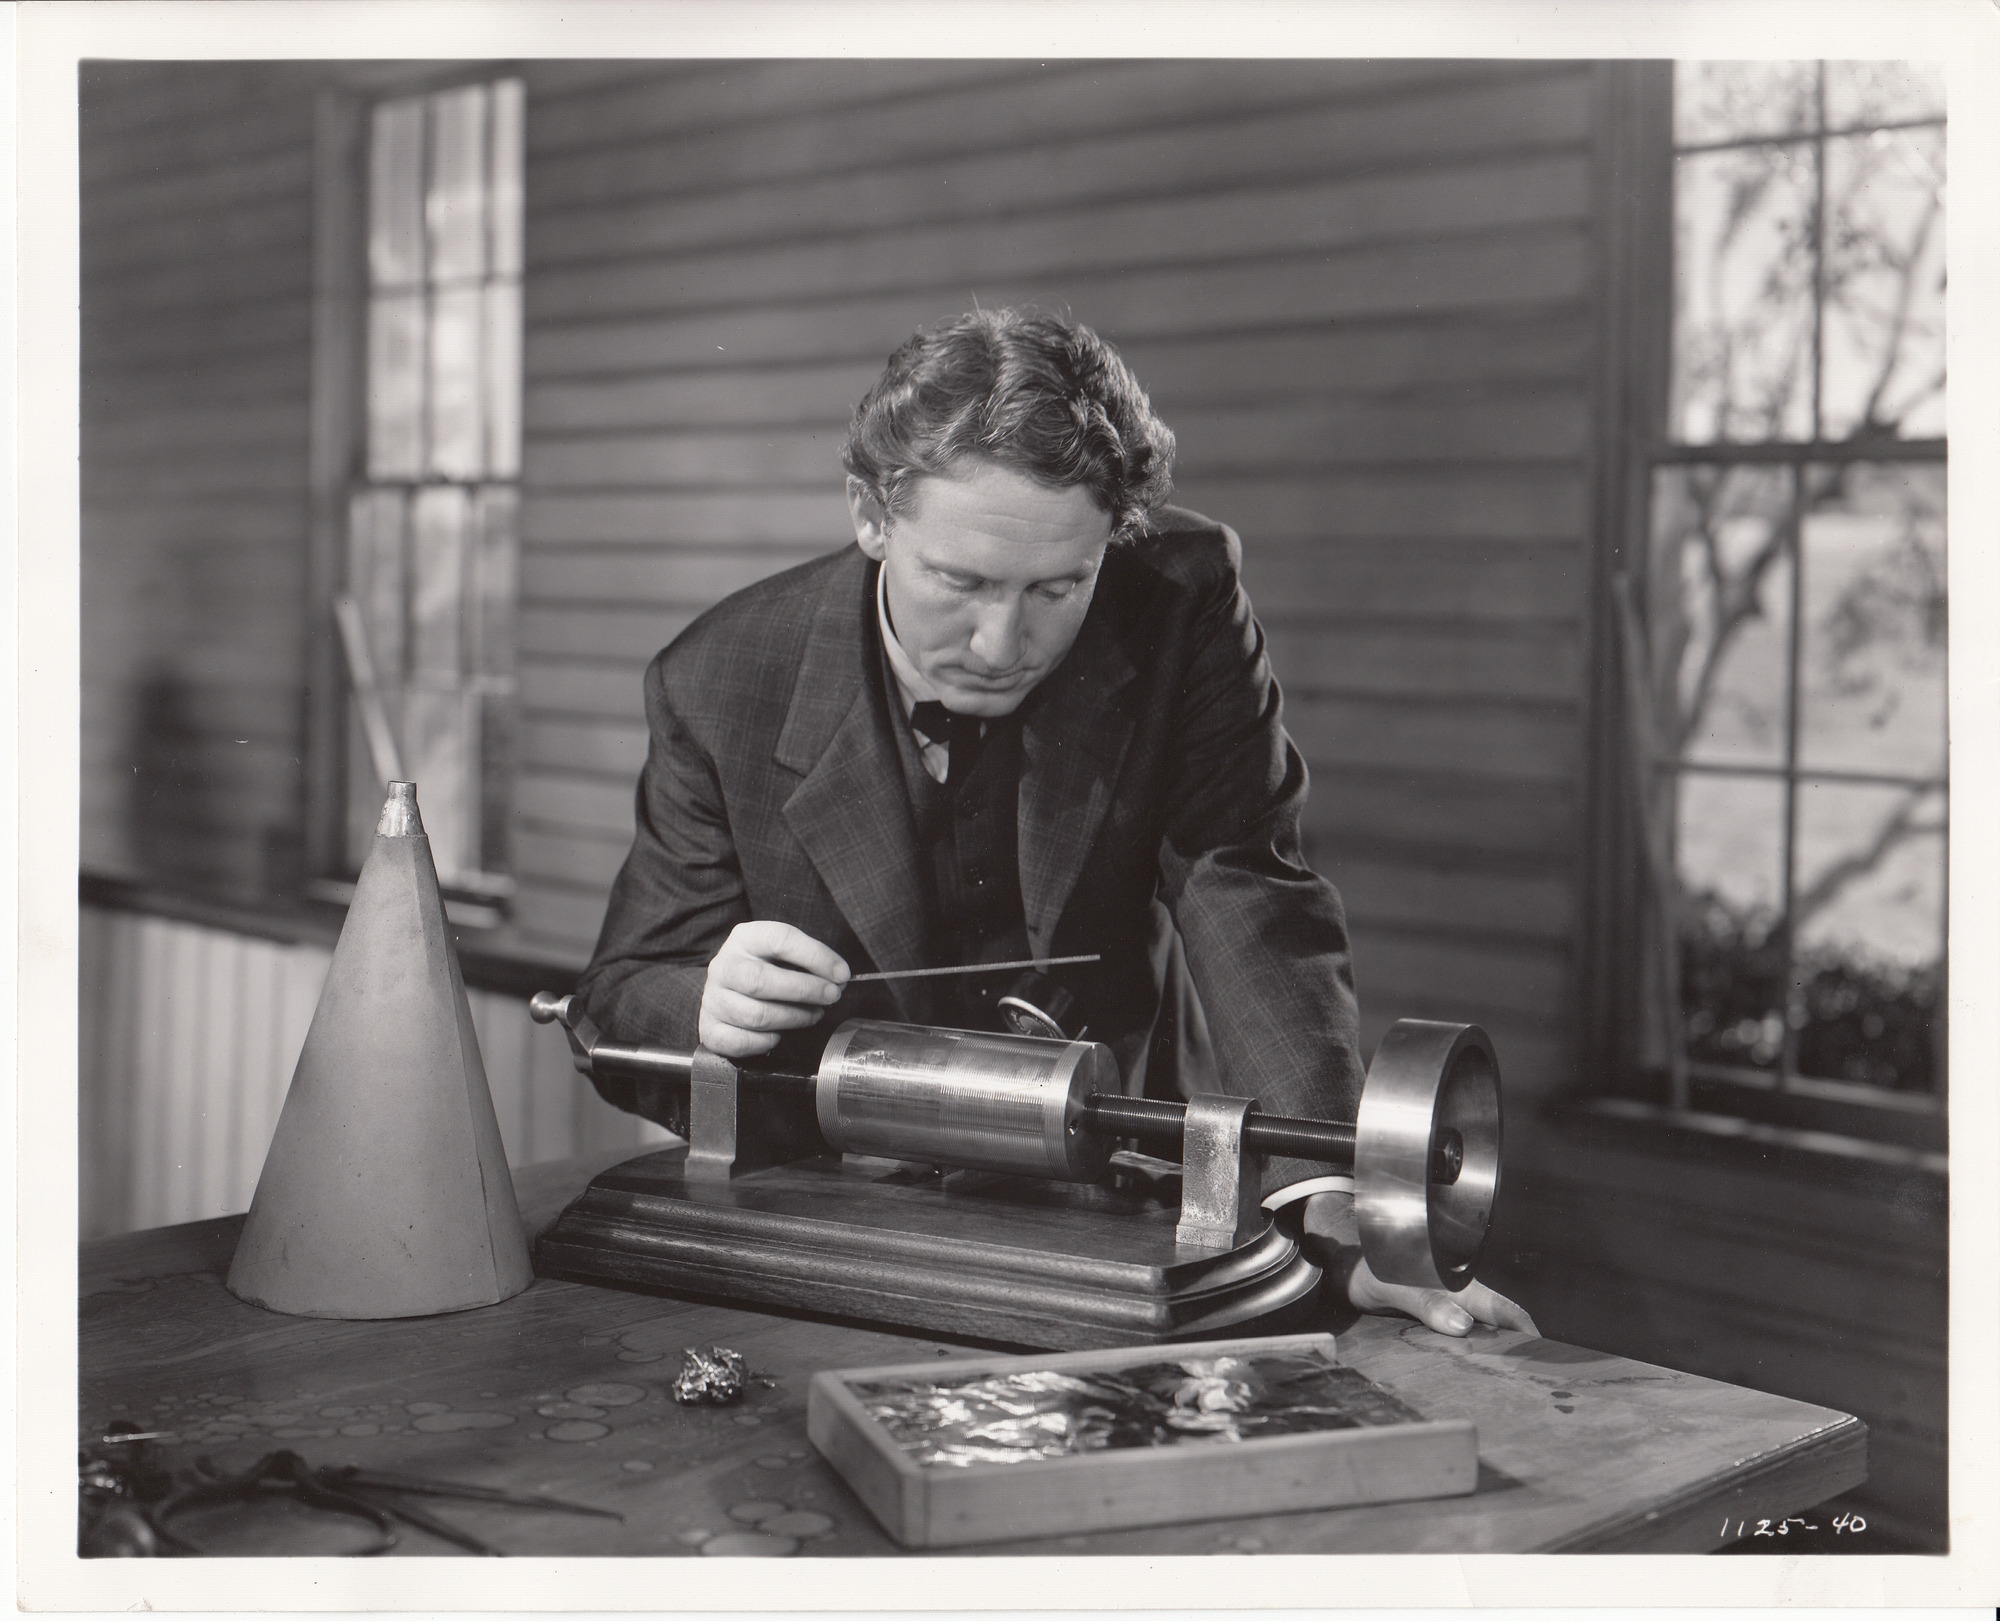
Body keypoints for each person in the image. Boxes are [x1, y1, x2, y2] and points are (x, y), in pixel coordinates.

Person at [577, 307, 1533, 1338]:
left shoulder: (1178, 601)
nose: (1000, 643)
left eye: (1057, 589)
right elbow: (620, 993)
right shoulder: (719, 680)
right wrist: (709, 1006)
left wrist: (1335, 1211)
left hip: (1116, 1206)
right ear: (869, 514)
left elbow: (1244, 885)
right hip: (825, 1221)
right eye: (960, 582)